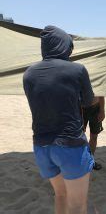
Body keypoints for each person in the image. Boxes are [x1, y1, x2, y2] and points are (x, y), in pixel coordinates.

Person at [23, 25, 96, 214]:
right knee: (78, 205)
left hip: (41, 146)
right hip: (70, 145)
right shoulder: (77, 70)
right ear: (64, 46)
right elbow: (89, 102)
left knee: (61, 196)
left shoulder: (28, 73)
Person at [82, 96, 105, 170]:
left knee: (94, 136)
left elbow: (101, 93)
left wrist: (102, 110)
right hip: (80, 109)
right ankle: (80, 161)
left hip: (96, 108)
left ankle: (90, 161)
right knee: (79, 137)